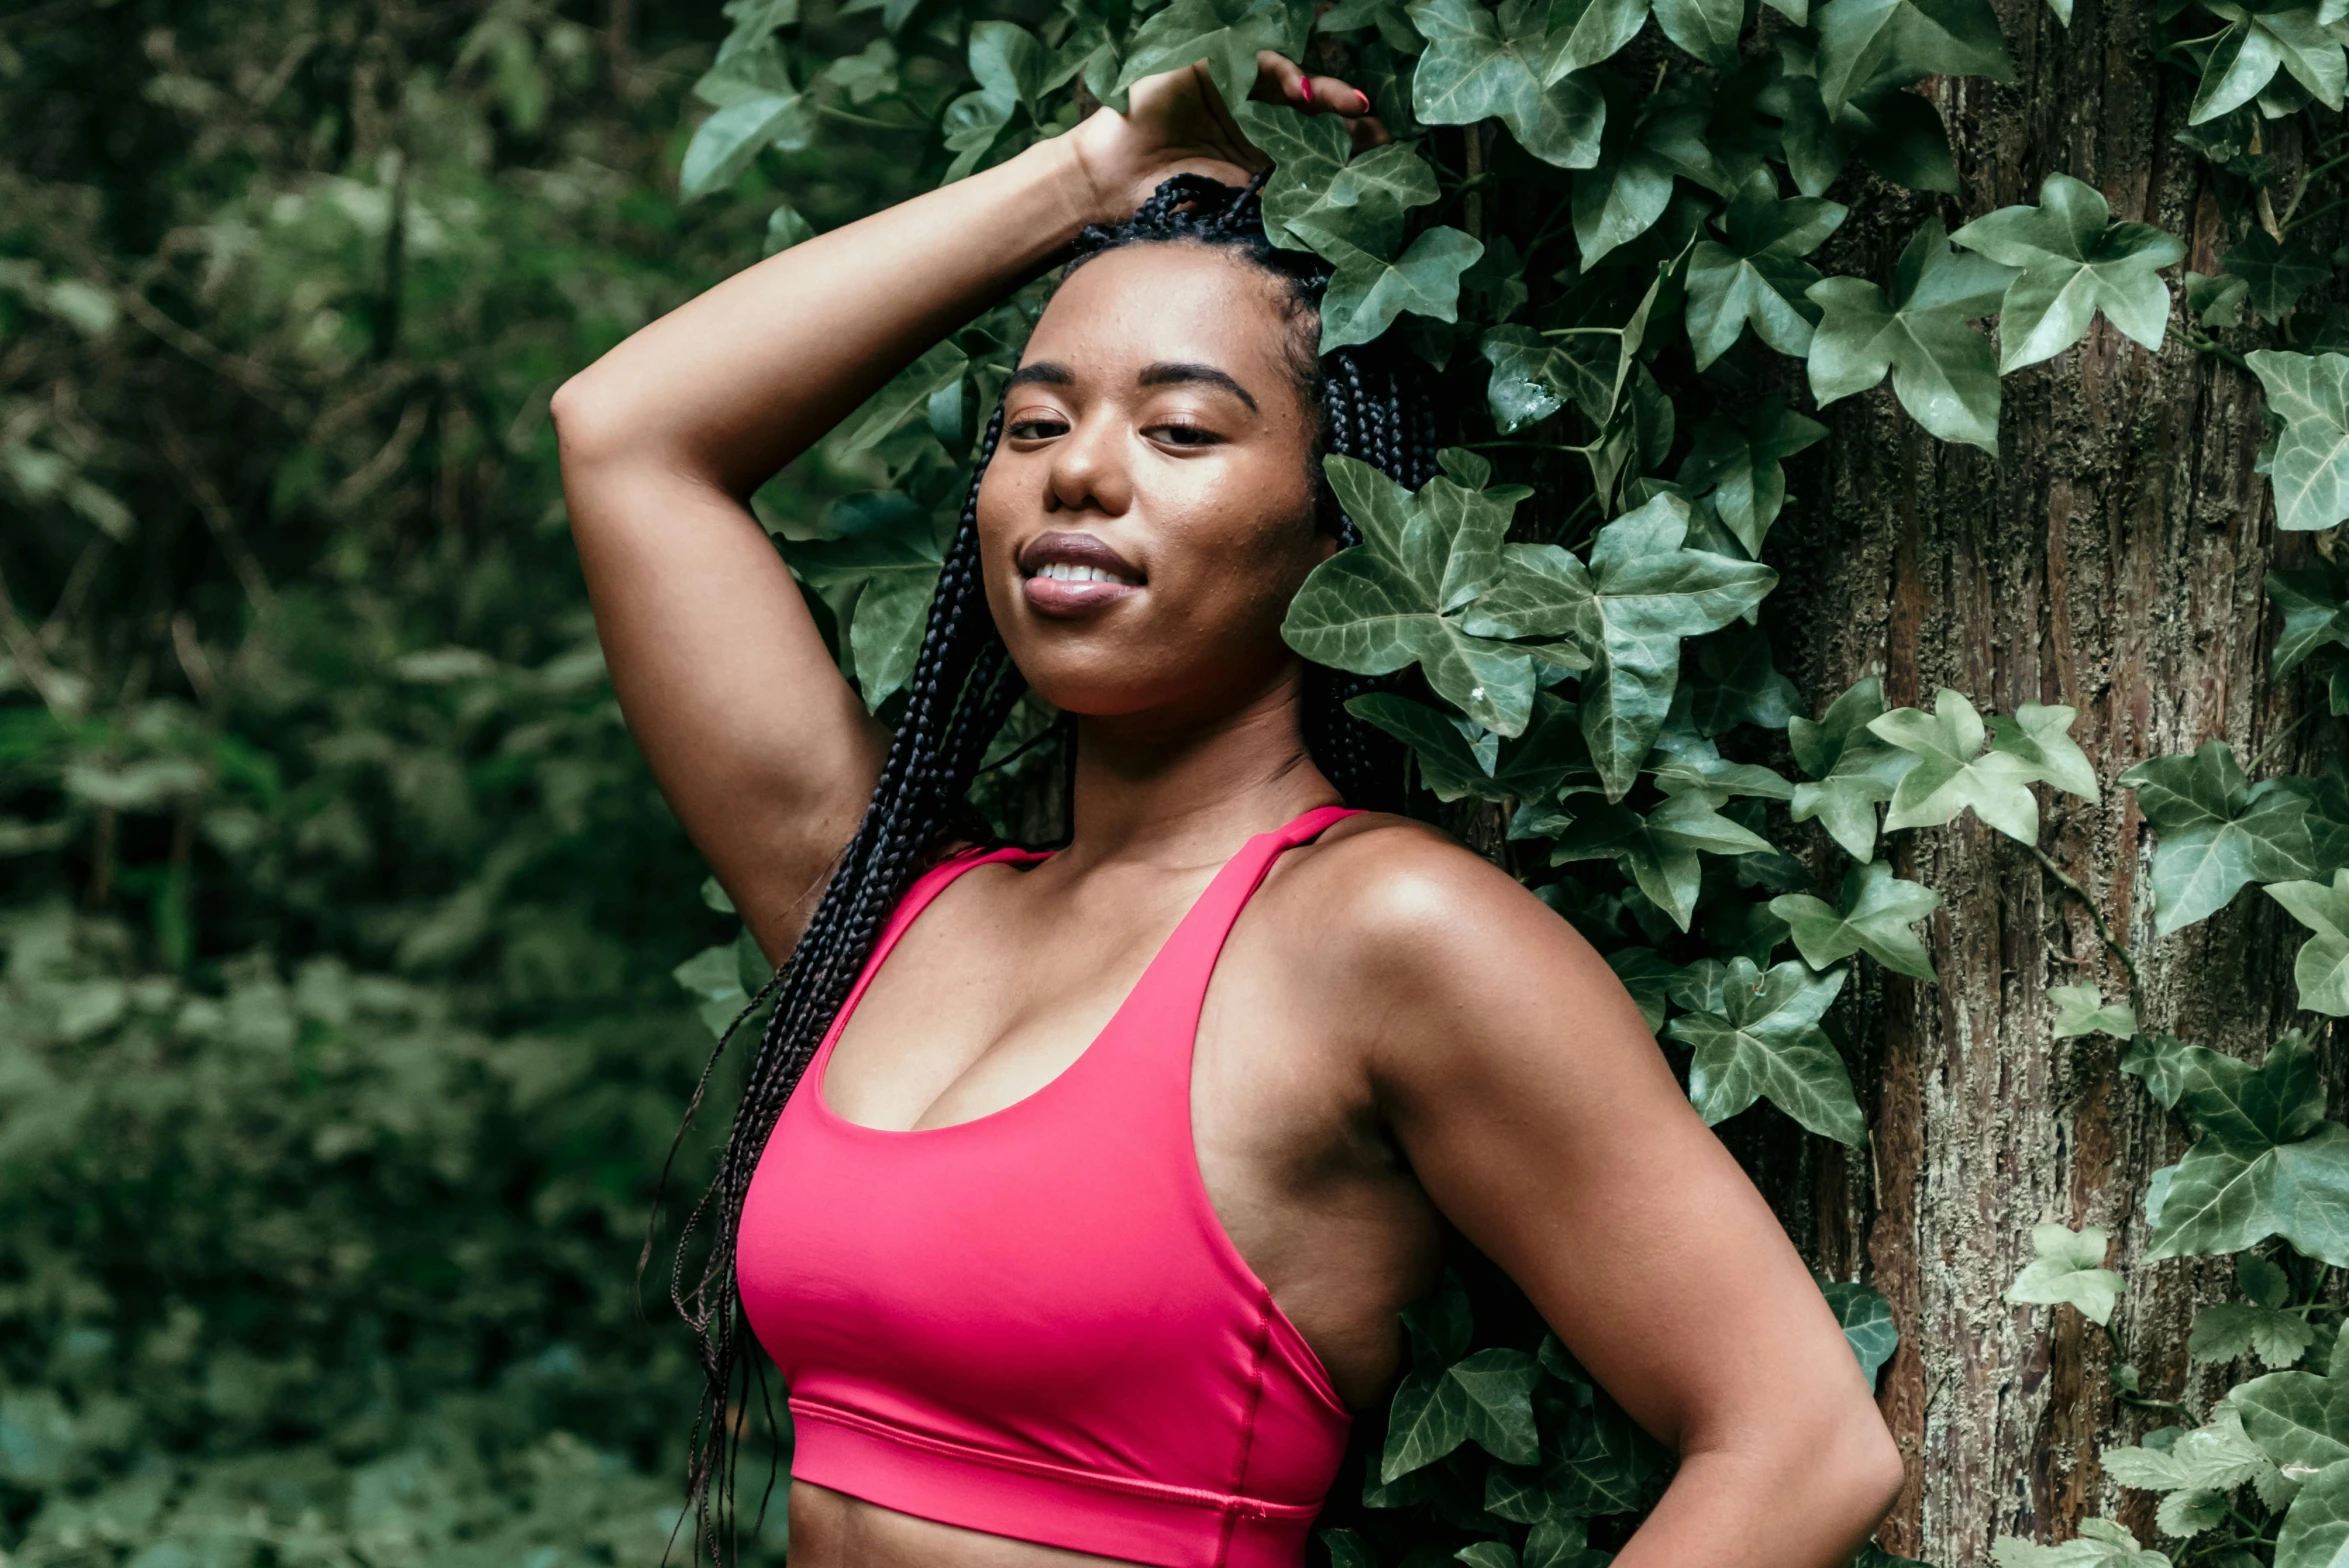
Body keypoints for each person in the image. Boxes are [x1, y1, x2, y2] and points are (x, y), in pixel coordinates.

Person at [551, 45, 1904, 1568]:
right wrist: (1092, 176)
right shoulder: (889, 913)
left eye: (1182, 431)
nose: (1082, 475)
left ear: (1340, 519)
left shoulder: (1384, 934)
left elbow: (1800, 1437)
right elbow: (626, 436)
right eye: (1034, 425)